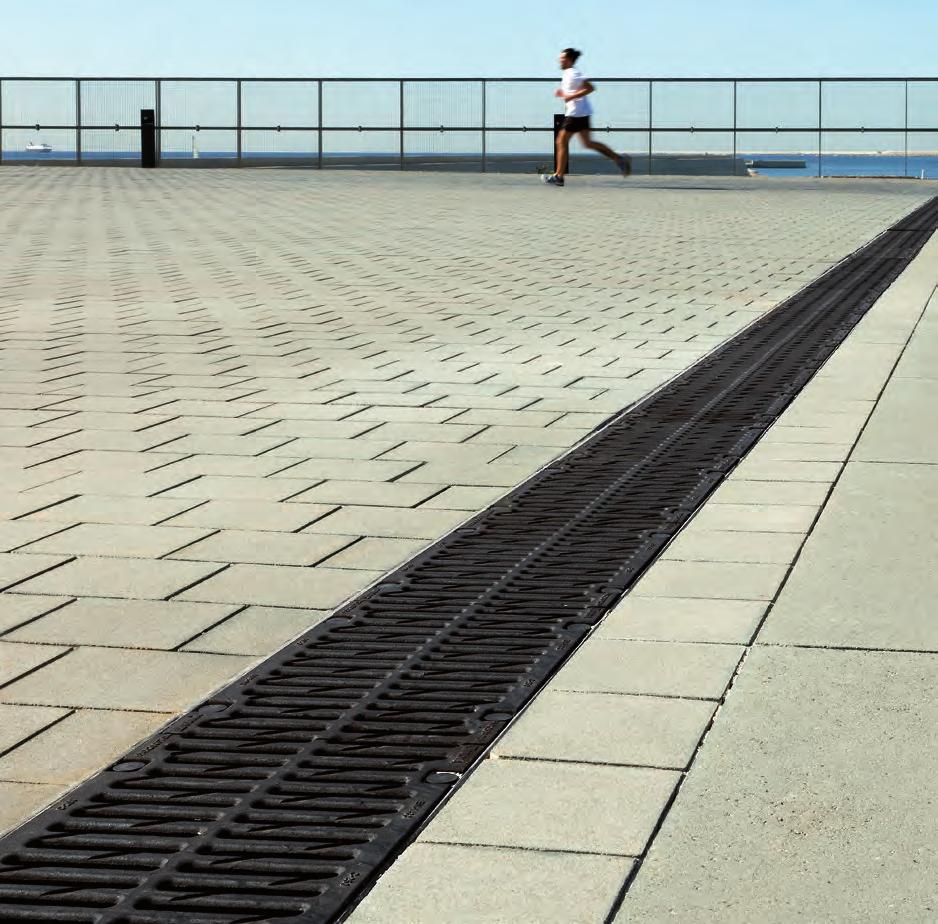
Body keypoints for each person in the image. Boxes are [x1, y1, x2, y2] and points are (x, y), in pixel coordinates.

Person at [542, 48, 631, 187]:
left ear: (569, 60)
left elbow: (590, 87)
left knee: (561, 141)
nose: (559, 60)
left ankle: (559, 176)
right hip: (581, 112)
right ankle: (619, 158)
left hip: (576, 113)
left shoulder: (573, 73)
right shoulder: (567, 74)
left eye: (562, 58)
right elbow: (574, 91)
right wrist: (564, 95)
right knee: (588, 143)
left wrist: (569, 96)